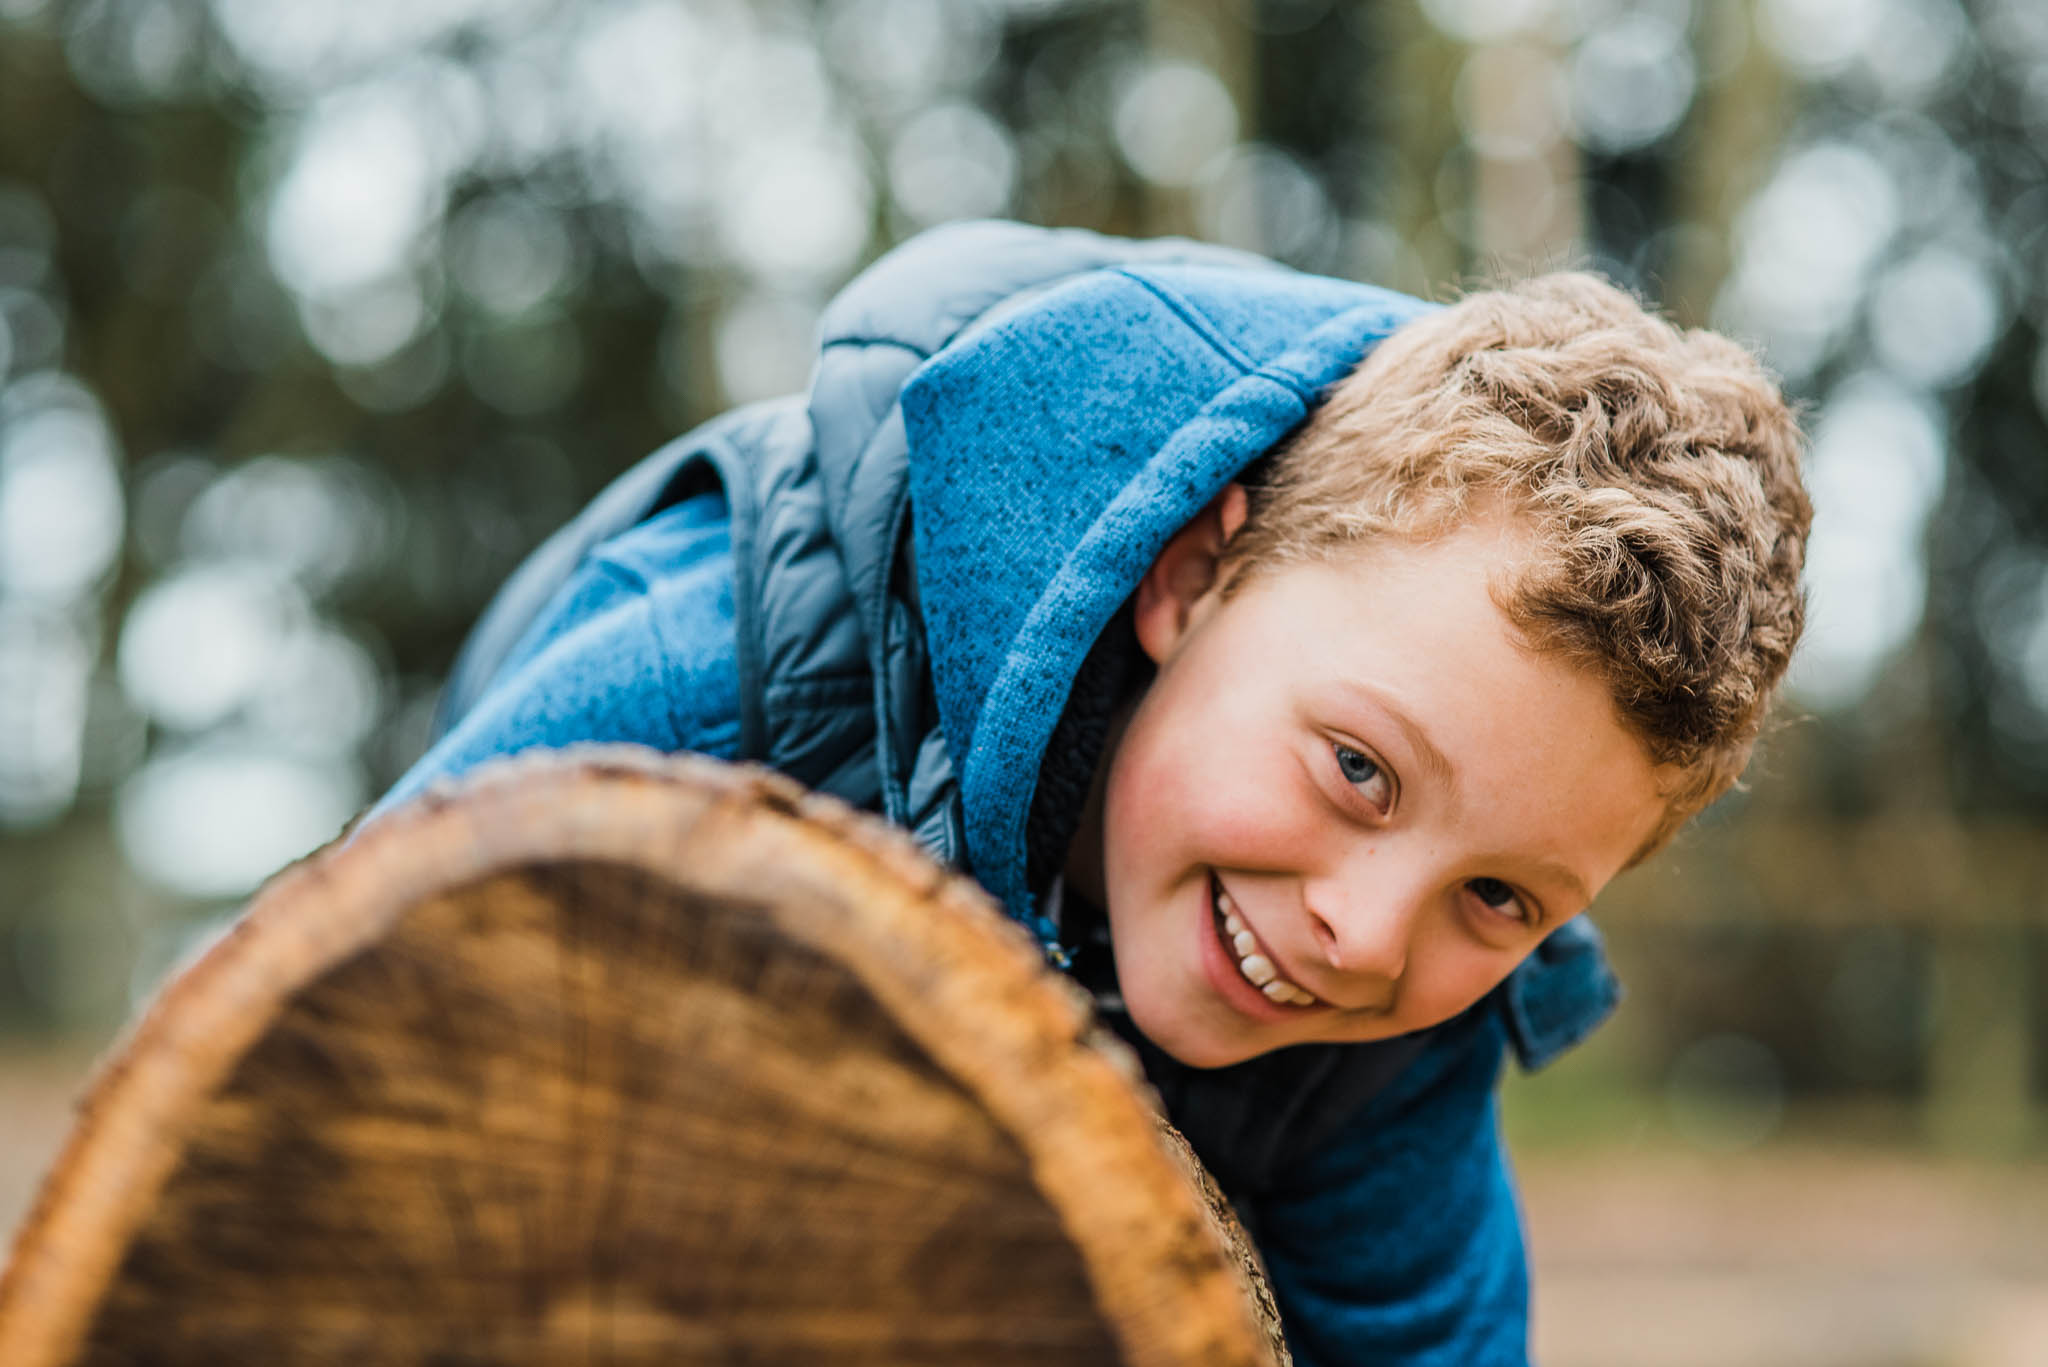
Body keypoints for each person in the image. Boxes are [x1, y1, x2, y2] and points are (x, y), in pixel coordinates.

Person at [373, 219, 1811, 1365]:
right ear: (1191, 577)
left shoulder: (1381, 1056)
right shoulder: (728, 673)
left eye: (1498, 897)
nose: (1366, 939)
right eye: (1359, 771)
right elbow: (313, 1035)